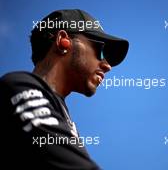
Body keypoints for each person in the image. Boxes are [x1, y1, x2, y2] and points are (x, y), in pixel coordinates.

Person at [0, 9, 129, 169]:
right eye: (100, 50)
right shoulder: (18, 85)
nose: (107, 66)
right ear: (63, 40)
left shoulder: (64, 118)